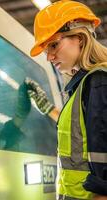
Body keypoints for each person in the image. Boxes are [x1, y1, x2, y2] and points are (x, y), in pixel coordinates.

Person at [27, 0, 107, 199]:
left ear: (79, 37)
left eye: (54, 45)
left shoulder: (98, 82)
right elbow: (84, 136)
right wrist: (50, 110)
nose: (50, 57)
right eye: (47, 50)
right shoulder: (85, 85)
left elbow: (103, 155)